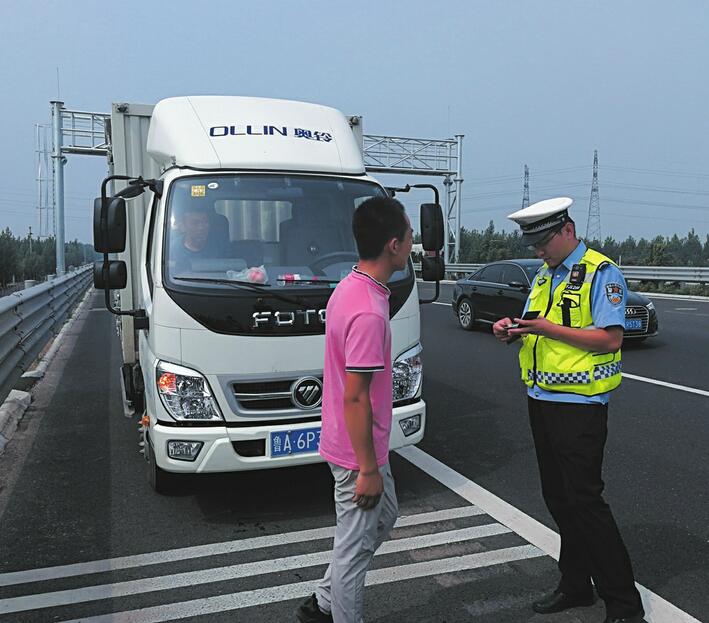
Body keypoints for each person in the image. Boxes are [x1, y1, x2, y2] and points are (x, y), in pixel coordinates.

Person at [492, 197, 645, 623]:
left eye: (543, 242)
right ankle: (576, 585)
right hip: (541, 399)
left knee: (585, 502)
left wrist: (545, 328)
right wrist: (514, 331)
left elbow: (610, 338)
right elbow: (539, 332)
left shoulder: (601, 272)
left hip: (580, 407)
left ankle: (625, 606)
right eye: (532, 244)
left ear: (567, 230)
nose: (538, 251)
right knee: (559, 499)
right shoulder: (545, 275)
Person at [296, 197, 413, 623]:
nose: (414, 244)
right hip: (356, 452)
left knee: (385, 515)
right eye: (410, 236)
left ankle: (325, 600)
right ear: (394, 244)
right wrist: (366, 469)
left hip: (361, 444)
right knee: (354, 548)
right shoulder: (367, 310)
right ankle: (335, 611)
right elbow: (356, 396)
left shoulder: (351, 286)